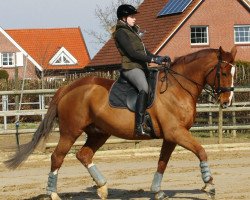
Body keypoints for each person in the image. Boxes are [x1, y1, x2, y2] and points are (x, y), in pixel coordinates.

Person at [113, 4, 171, 137]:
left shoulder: (132, 31)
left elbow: (145, 52)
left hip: (141, 67)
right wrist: (153, 61)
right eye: (132, 16)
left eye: (134, 16)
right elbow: (132, 53)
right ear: (123, 17)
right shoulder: (121, 32)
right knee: (144, 88)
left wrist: (158, 58)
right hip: (131, 67)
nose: (134, 19)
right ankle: (139, 126)